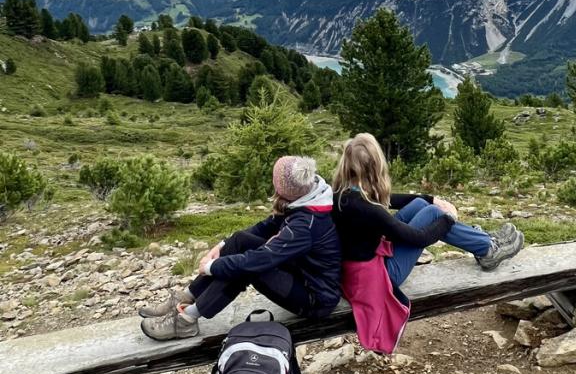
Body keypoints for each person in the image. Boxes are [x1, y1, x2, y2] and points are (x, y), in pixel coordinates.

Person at [331, 133, 524, 353]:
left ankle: (486, 244)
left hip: (358, 266)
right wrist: (448, 218)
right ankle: (488, 248)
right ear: (375, 167)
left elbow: (390, 198)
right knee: (433, 214)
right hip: (378, 276)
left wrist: (430, 198)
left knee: (421, 205)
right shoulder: (367, 209)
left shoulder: (342, 193)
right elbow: (418, 238)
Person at [140, 156, 341, 341]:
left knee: (247, 268)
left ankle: (186, 321)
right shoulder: (307, 196)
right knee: (240, 240)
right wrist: (222, 246)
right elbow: (265, 226)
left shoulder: (305, 225)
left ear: (282, 189)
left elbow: (257, 260)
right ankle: (187, 296)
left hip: (314, 299)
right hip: (301, 274)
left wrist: (212, 267)